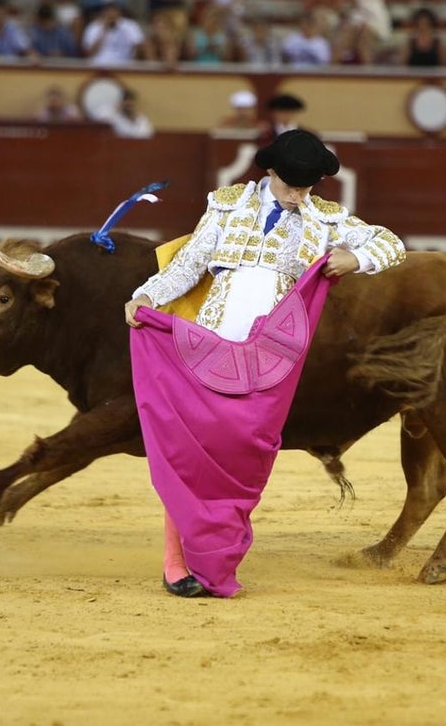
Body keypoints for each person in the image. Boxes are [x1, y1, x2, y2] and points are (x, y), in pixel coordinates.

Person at [123, 129, 406, 598]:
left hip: (273, 358)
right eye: (291, 184)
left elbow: (390, 244)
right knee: (189, 453)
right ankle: (176, 563)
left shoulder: (326, 217)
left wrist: (354, 257)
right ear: (270, 172)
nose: (299, 195)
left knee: (246, 457)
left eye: (307, 186)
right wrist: (147, 296)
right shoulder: (226, 204)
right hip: (209, 342)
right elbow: (190, 263)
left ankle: (214, 559)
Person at [82, 0, 145, 65]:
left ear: (120, 13)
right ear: (103, 13)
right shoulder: (93, 26)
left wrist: (133, 63)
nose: (111, 14)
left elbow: (139, 45)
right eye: (108, 11)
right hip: (99, 65)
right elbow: (89, 53)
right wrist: (104, 30)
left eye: (114, 11)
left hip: (124, 66)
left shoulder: (130, 25)